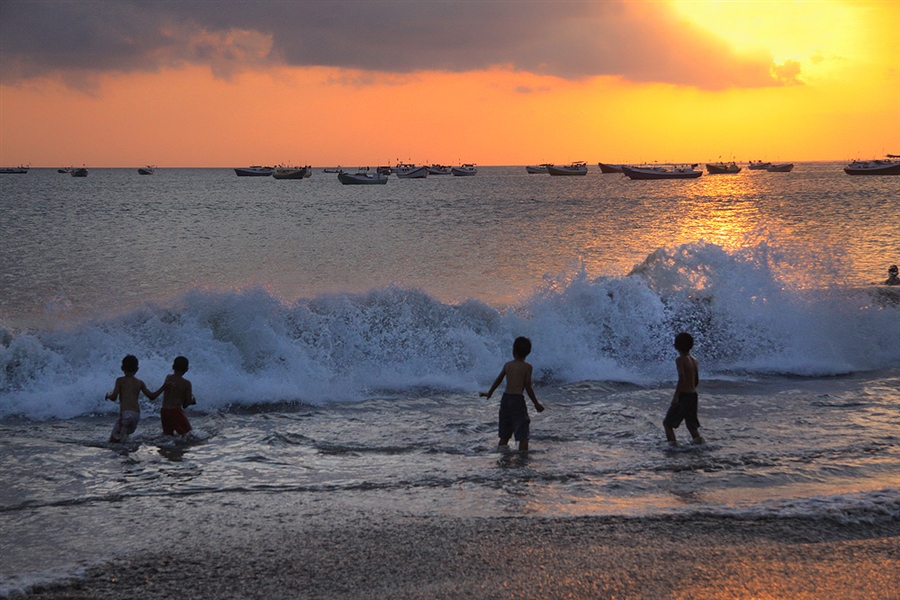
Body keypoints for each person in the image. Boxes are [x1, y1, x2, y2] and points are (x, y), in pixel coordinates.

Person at [480, 336, 545, 451]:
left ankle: (502, 455)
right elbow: (528, 386)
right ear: (528, 353)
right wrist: (536, 403)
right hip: (517, 400)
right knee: (523, 435)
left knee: (505, 434)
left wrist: (489, 393)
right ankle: (522, 459)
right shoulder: (527, 367)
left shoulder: (508, 365)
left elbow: (498, 380)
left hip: (505, 399)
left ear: (513, 351)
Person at [105, 354, 162, 443]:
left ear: (122, 368)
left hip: (126, 415)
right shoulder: (140, 382)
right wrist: (164, 387)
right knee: (123, 438)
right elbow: (152, 396)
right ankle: (126, 454)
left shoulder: (120, 380)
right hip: (136, 415)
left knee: (113, 441)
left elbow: (113, 397)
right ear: (137, 369)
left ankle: (121, 455)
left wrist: (108, 394)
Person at [663, 332, 704, 445]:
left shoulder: (680, 360)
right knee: (691, 425)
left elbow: (682, 379)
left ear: (676, 346)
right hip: (693, 395)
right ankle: (699, 444)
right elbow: (696, 381)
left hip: (684, 396)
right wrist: (691, 390)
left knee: (667, 423)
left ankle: (672, 446)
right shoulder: (694, 360)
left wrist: (676, 397)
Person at [159, 356, 195, 437]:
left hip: (164, 411)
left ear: (173, 367)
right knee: (188, 434)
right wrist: (192, 399)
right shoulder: (186, 383)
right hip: (175, 411)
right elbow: (188, 401)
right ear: (186, 369)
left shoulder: (168, 378)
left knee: (168, 435)